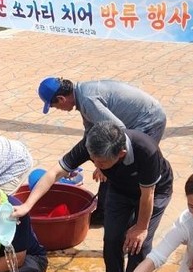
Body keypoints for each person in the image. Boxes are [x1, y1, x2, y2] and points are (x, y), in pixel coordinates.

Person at [13, 121, 173, 272]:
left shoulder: (146, 150)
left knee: (137, 247)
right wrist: (27, 205)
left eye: (101, 162)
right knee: (112, 243)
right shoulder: (93, 142)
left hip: (154, 192)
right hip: (120, 190)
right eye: (93, 160)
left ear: (121, 153)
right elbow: (53, 173)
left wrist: (140, 227)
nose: (95, 164)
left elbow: (148, 196)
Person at [37, 77, 167, 224]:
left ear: (61, 99)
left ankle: (135, 218)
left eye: (54, 106)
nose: (58, 109)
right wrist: (94, 161)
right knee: (107, 165)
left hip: (149, 120)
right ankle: (104, 213)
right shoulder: (81, 94)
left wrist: (102, 163)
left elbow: (119, 131)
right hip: (138, 119)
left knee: (128, 168)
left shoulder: (87, 101)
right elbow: (91, 133)